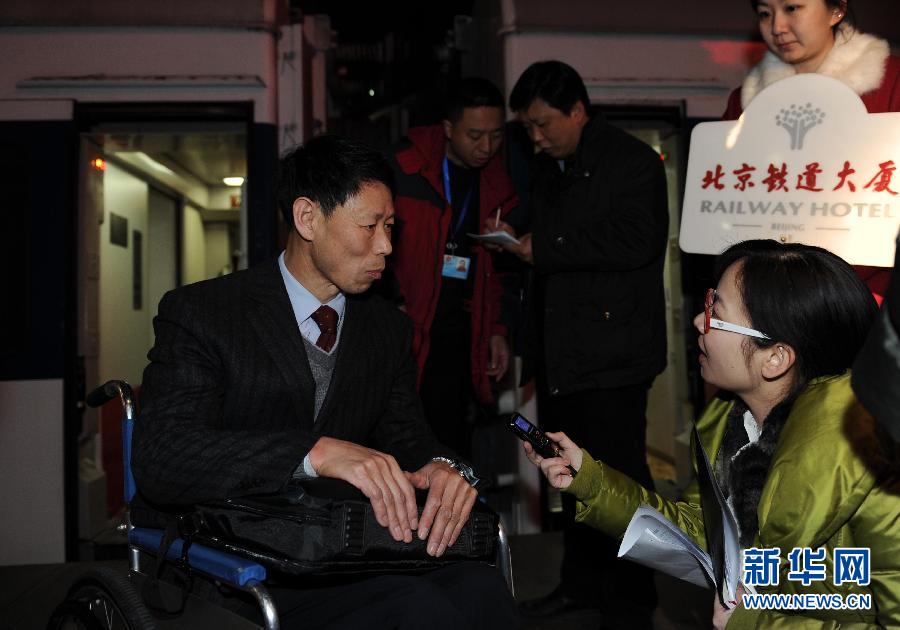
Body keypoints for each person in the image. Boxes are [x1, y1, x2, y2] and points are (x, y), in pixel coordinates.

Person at [132, 135, 520, 630]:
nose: (386, 245)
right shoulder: (205, 315)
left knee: (480, 588)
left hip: (340, 551)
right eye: (369, 226)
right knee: (414, 609)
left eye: (391, 227)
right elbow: (163, 457)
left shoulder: (386, 329)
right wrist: (312, 453)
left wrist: (442, 467)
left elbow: (408, 436)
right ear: (307, 218)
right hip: (235, 564)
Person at [526, 240, 900, 628]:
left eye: (714, 312)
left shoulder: (873, 461)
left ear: (774, 358)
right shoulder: (727, 423)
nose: (698, 322)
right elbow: (704, 534)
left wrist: (755, 624)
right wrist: (590, 480)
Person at [498, 60, 669, 626]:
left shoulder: (632, 161)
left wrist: (543, 245)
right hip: (563, 356)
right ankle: (581, 585)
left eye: (544, 123)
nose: (536, 137)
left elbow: (637, 240)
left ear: (578, 110)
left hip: (614, 356)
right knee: (567, 477)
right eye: (527, 127)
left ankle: (632, 600)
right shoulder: (554, 167)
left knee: (618, 480)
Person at [724, 0, 900, 302]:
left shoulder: (891, 82)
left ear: (837, 10)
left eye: (792, 8)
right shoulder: (744, 102)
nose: (778, 27)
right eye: (765, 14)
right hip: (771, 295)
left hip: (872, 294)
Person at [388, 77, 517, 458]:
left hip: (459, 332)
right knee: (402, 444)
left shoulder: (497, 181)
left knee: (451, 447)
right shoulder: (403, 169)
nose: (486, 147)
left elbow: (497, 270)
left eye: (495, 136)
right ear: (448, 129)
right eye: (475, 135)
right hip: (407, 327)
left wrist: (496, 329)